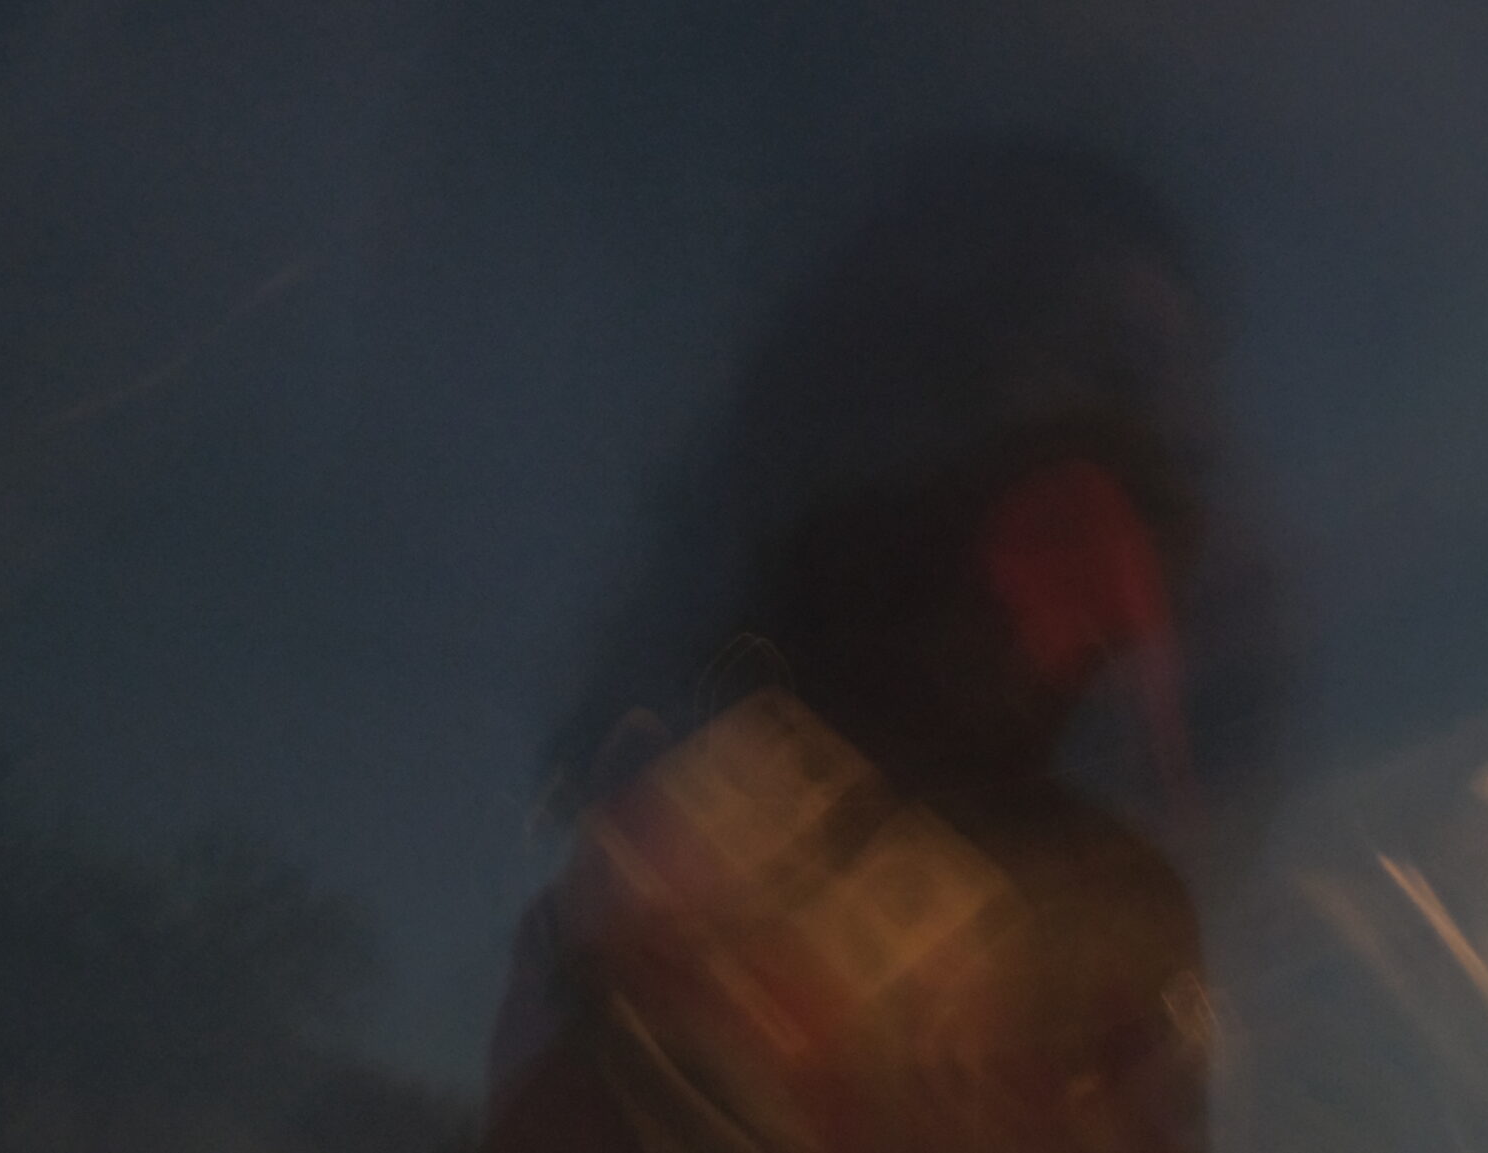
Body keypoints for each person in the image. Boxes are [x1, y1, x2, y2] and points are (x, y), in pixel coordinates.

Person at [485, 139, 1223, 1153]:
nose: (1125, 604)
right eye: (1094, 374)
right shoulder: (691, 826)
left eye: (1170, 453)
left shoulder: (1124, 915)